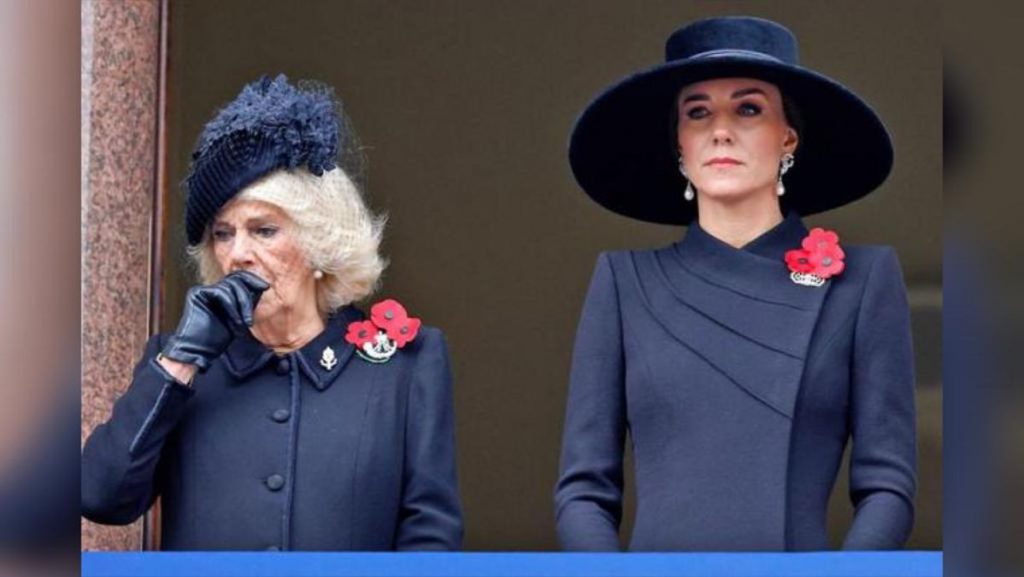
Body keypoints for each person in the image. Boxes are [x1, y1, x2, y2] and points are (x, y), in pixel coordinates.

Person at [555, 17, 916, 551]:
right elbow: (584, 492)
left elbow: (887, 486)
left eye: (748, 109)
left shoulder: (862, 282)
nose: (720, 130)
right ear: (679, 144)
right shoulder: (624, 282)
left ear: (787, 136)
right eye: (697, 112)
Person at [82, 75, 463, 551]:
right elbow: (100, 497)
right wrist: (182, 360)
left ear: (320, 242)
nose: (238, 254)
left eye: (264, 231)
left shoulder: (404, 366)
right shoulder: (181, 366)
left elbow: (430, 537)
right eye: (223, 234)